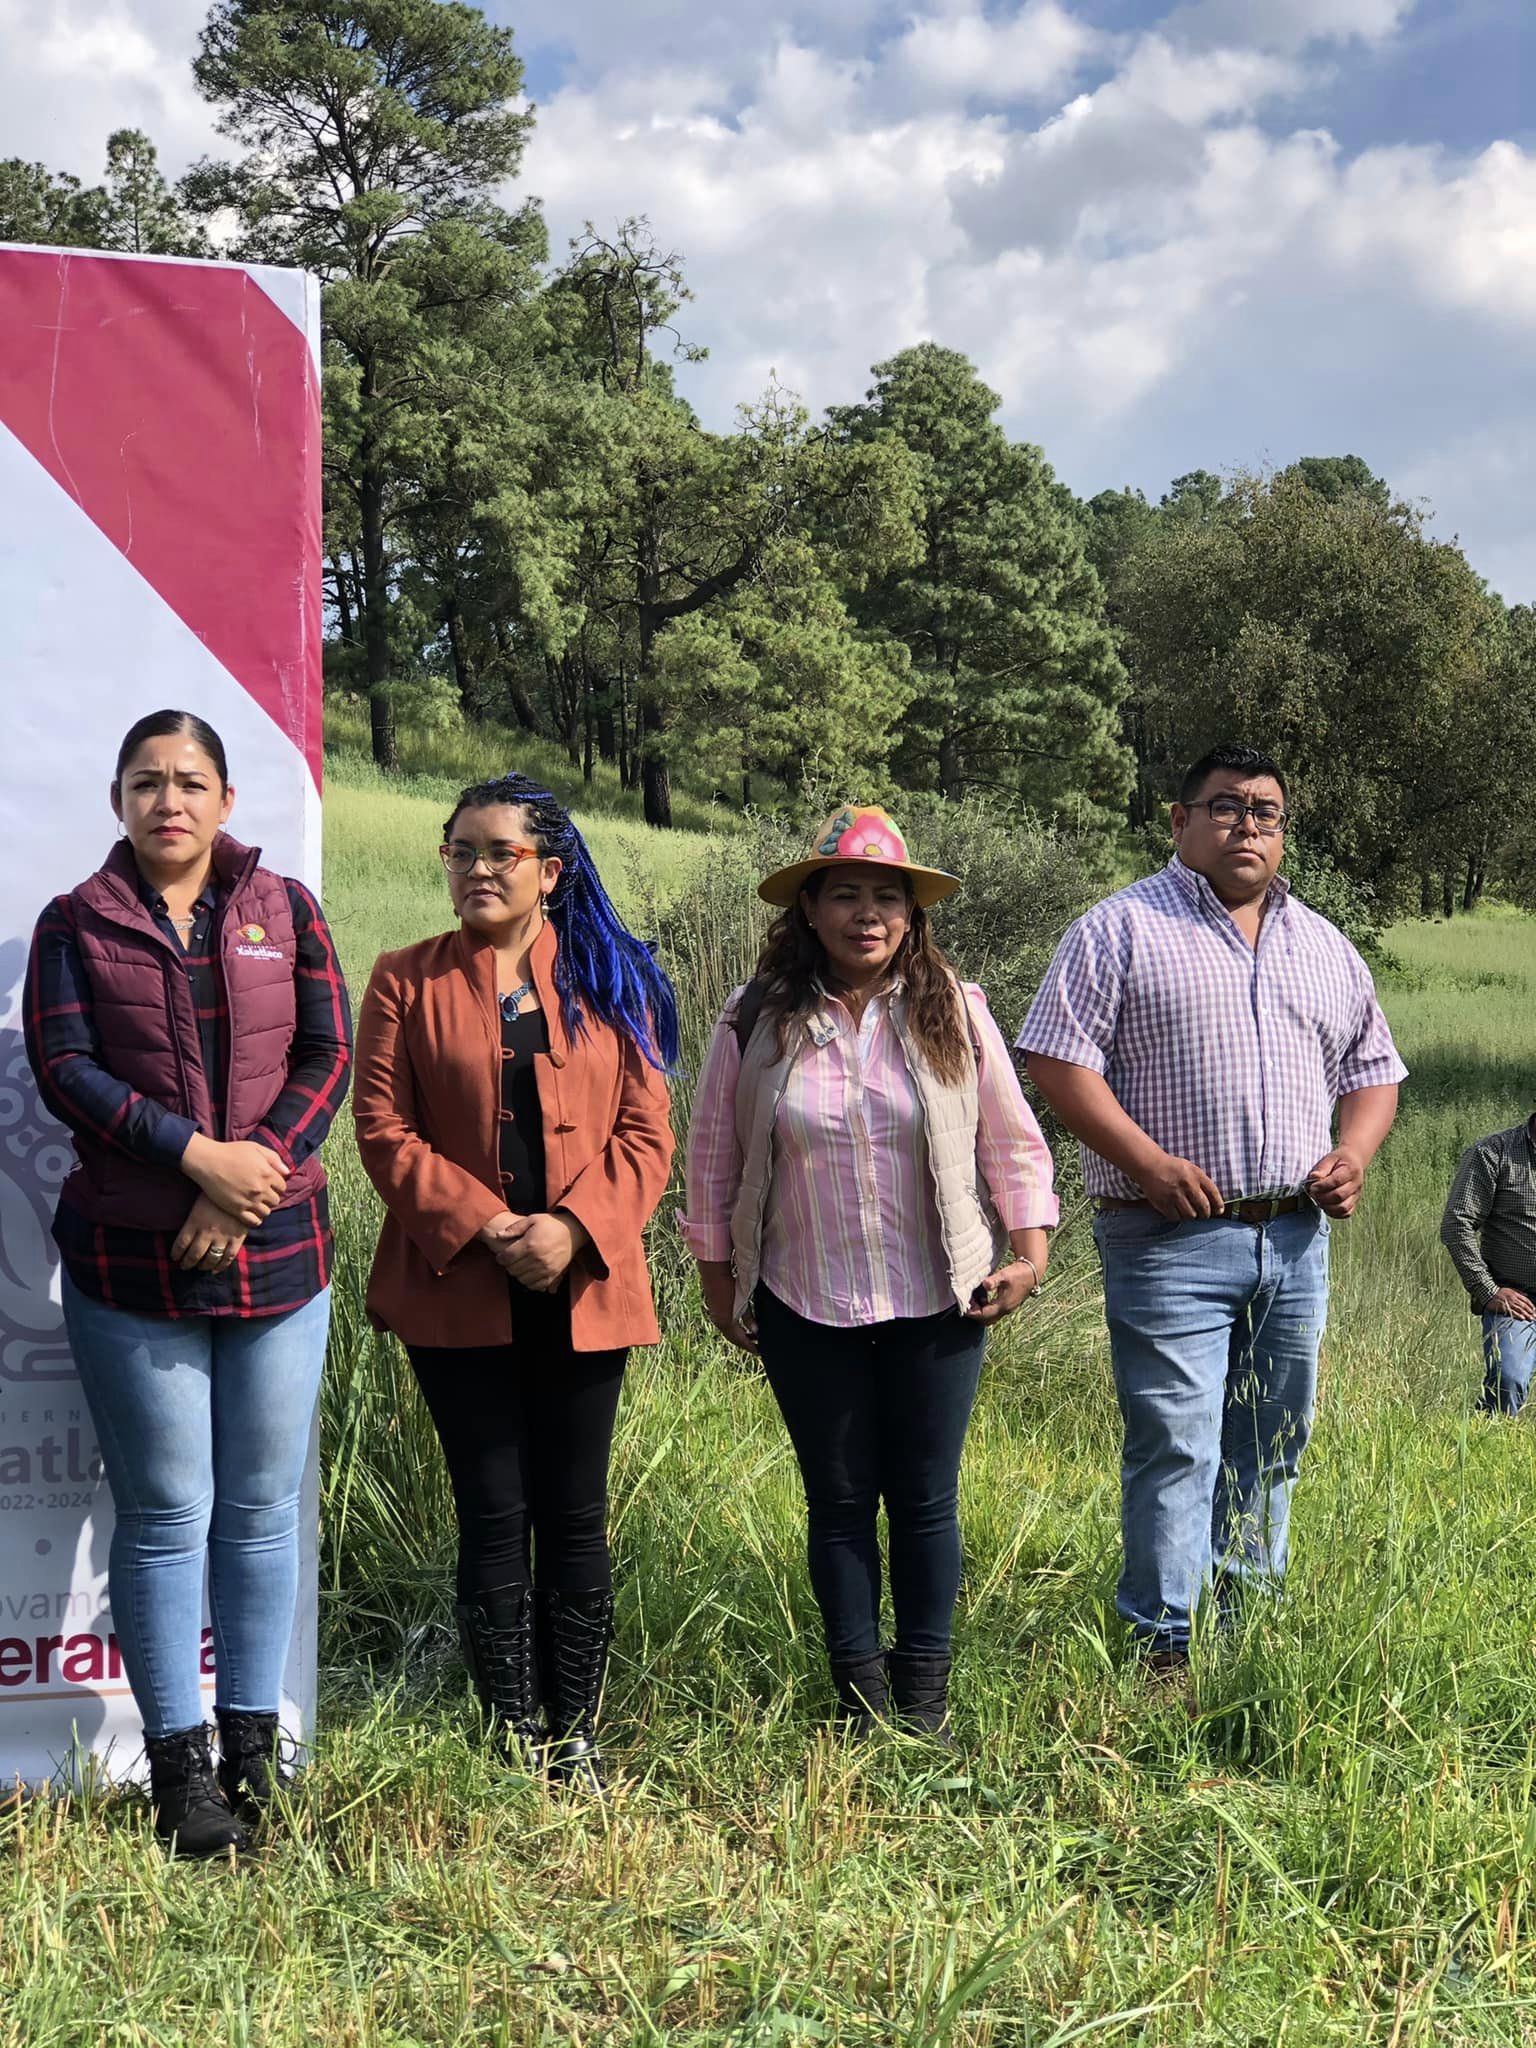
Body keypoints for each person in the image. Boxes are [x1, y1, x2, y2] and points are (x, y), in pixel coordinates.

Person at [23, 710, 352, 1856]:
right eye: (147, 782)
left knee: (261, 1510)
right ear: (118, 799)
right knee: (168, 1515)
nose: (170, 800)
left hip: (278, 1250)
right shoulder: (75, 923)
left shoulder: (286, 910)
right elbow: (67, 1069)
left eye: (191, 781)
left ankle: (256, 1752)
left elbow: (327, 1053)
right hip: (130, 1256)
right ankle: (182, 1772)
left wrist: (240, 1183)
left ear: (224, 799)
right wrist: (192, 1157)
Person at [1020, 743, 1404, 1671]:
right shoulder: (1120, 930)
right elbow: (1055, 1059)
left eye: (1266, 812)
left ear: (1284, 832)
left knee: (1272, 1442)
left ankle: (1245, 1633)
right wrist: (1146, 1162)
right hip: (1167, 1237)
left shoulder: (1323, 945)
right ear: (1180, 820)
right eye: (1226, 806)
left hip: (1295, 1237)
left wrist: (1352, 1153)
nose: (1248, 825)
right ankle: (1163, 1648)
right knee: (1178, 1446)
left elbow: (1372, 1071)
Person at [682, 805, 1057, 1742]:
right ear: (808, 909)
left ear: (911, 914)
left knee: (926, 1496)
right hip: (805, 1297)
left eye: (885, 897)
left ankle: (922, 1700)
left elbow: (1010, 1139)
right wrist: (715, 1272)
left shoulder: (955, 1010)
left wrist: (1030, 1252)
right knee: (839, 1499)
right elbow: (714, 1152)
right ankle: (859, 1698)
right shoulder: (757, 1015)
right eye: (844, 894)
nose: (867, 914)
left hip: (940, 1296)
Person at [352, 773, 676, 1792]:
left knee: (575, 1510)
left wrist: (573, 1229)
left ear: (552, 867)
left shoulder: (609, 983)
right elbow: (382, 1129)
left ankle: (575, 1721)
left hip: (584, 1285)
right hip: (456, 1286)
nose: (479, 867)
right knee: (491, 1506)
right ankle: (512, 1726)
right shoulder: (403, 978)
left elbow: (646, 1132)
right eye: (461, 849)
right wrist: (491, 1225)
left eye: (501, 851)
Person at [1441, 1117, 1536, 1415]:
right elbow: (1457, 1225)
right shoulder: (1494, 1153)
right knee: (1507, 1381)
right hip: (1516, 1300)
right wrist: (1488, 1291)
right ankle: (1492, 1441)